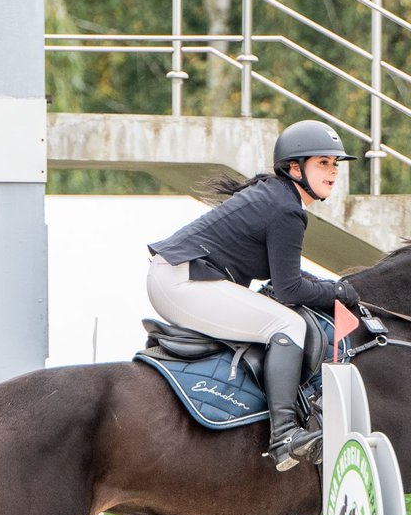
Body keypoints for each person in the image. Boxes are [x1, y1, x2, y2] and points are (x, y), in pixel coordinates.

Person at [146, 119, 362, 472]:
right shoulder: (286, 208)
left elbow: (285, 279)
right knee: (289, 326)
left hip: (178, 276)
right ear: (295, 168)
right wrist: (339, 290)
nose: (333, 171)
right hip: (182, 282)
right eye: (323, 162)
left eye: (335, 164)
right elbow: (290, 290)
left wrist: (333, 288)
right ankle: (285, 437)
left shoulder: (278, 197)